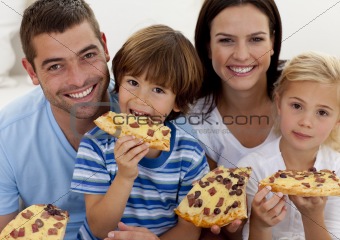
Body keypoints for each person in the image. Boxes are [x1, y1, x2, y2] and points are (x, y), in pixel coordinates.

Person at [71, 24, 209, 240]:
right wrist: (125, 176)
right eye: (133, 82)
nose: (141, 99)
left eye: (158, 90)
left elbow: (190, 229)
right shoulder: (95, 145)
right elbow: (99, 229)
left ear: (178, 102)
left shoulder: (189, 155)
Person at [0, 1, 119, 239]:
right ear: (31, 71)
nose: (77, 80)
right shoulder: (7, 135)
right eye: (55, 66)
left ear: (104, 47)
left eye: (88, 55)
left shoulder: (154, 115)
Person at [189, 0, 283, 239]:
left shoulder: (303, 97)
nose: (242, 55)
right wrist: (233, 227)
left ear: (272, 41)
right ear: (208, 46)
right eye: (226, 40)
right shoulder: (193, 119)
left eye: (256, 39)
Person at [238, 51, 340, 239]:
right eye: (296, 106)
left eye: (322, 112)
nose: (306, 122)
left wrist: (312, 217)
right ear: (279, 104)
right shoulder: (252, 170)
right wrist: (260, 226)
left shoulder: (336, 173)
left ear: (337, 121)